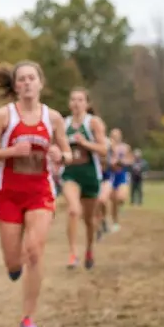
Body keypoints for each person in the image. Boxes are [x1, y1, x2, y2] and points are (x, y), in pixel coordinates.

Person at [0, 60, 73, 327]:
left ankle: (28, 316)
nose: (27, 83)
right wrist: (11, 152)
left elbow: (67, 154)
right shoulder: (4, 115)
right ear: (15, 86)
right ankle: (13, 267)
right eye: (21, 79)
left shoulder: (53, 118)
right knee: (13, 261)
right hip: (8, 193)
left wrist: (61, 156)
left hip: (40, 192)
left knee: (34, 251)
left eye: (31, 78)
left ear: (40, 83)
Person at [59, 88, 108, 270]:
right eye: (73, 100)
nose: (76, 103)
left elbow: (104, 149)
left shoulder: (93, 123)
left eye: (80, 100)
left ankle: (89, 249)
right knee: (73, 210)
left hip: (90, 176)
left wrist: (84, 143)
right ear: (69, 103)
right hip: (70, 173)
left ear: (87, 104)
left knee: (89, 220)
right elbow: (57, 147)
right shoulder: (64, 124)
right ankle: (72, 254)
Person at [105, 128, 133, 232]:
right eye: (113, 136)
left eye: (117, 136)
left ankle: (121, 205)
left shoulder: (125, 148)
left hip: (122, 175)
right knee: (113, 201)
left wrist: (122, 161)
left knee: (121, 197)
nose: (115, 138)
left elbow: (131, 160)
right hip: (111, 175)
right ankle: (115, 222)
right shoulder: (107, 147)